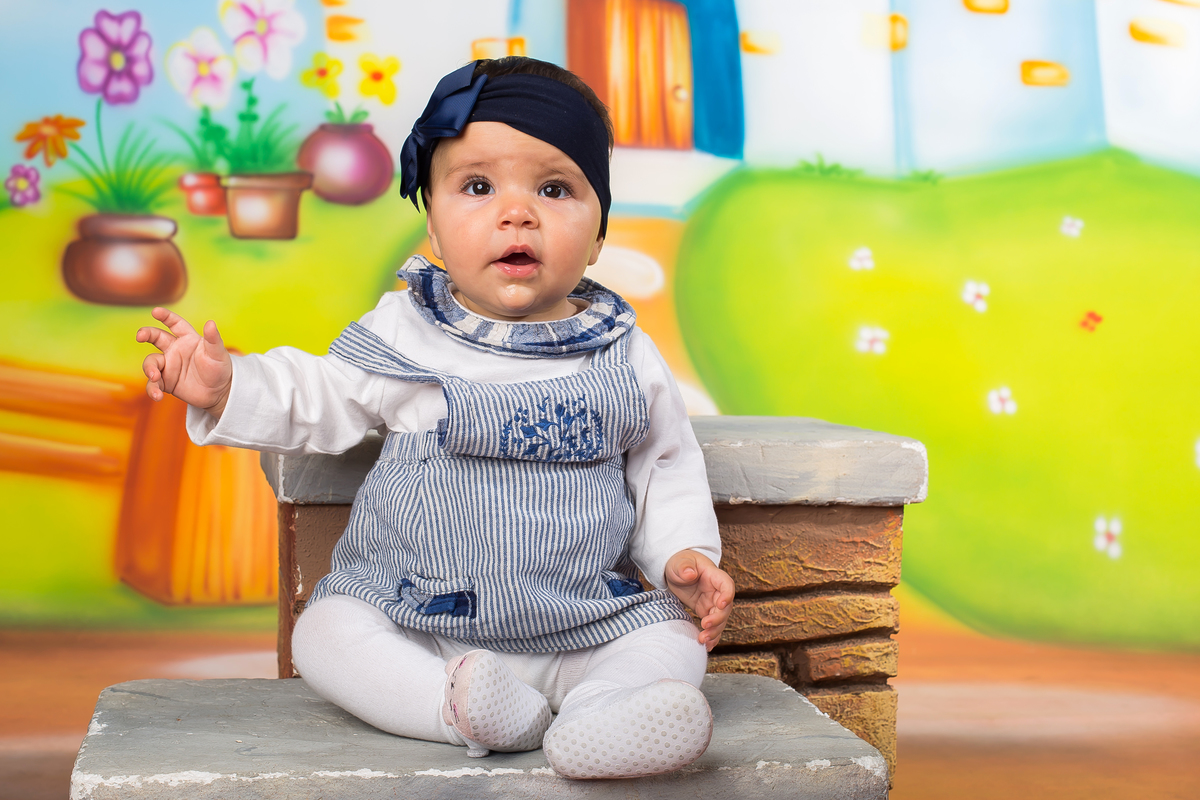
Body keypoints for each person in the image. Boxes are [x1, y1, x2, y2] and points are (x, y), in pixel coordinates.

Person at [135, 56, 734, 780]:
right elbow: (323, 396)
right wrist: (228, 385)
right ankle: (457, 710)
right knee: (326, 633)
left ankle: (600, 713)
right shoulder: (407, 331)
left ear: (600, 231)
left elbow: (664, 463)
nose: (517, 213)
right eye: (477, 187)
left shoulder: (623, 353)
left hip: (581, 621)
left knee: (672, 640)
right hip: (423, 623)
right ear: (434, 227)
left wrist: (683, 556)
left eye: (554, 188)